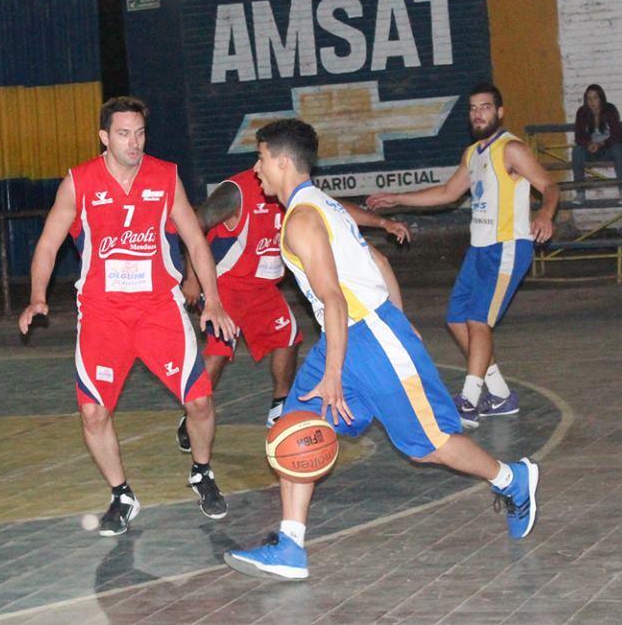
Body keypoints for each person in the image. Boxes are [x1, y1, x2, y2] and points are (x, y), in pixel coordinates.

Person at [223, 118, 539, 581]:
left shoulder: (303, 219)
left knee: (428, 446)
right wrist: (397, 317)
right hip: (352, 336)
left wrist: (343, 366)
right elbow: (378, 259)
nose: (257, 169)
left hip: (367, 338)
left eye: (261, 158)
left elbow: (333, 298)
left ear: (283, 162)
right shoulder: (323, 204)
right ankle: (290, 545)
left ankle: (512, 479)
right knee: (294, 425)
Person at [18, 96, 237, 537]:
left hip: (159, 309)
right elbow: (48, 243)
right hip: (103, 314)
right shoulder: (79, 182)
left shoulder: (165, 176)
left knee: (199, 401)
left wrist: (212, 299)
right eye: (123, 134)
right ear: (104, 137)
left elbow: (196, 241)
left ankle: (202, 471)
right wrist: (37, 296)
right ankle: (121, 495)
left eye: (139, 133)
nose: (134, 142)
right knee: (94, 414)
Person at [176, 169, 411, 452]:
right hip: (224, 283)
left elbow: (333, 208)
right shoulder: (237, 191)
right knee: (219, 350)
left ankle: (279, 406)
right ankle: (193, 414)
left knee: (287, 338)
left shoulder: (292, 192)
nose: (261, 166)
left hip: (261, 287)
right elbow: (194, 224)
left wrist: (382, 222)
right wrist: (192, 278)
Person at [367, 83, 558, 428]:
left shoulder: (511, 149)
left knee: (478, 321)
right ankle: (499, 395)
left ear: (500, 112)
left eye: (485, 107)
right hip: (479, 248)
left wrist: (544, 214)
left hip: (507, 246)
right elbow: (447, 192)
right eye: (473, 108)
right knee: (457, 319)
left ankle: (469, 400)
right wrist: (398, 199)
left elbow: (549, 185)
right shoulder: (473, 154)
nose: (478, 113)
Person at [571, 84, 622, 204]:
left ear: (601, 98)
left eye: (595, 98)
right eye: (589, 98)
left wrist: (601, 144)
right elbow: (578, 136)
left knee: (618, 149)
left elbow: (616, 135)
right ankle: (580, 193)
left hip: (608, 148)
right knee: (577, 151)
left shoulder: (610, 110)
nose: (592, 102)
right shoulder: (582, 112)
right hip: (591, 149)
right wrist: (588, 144)